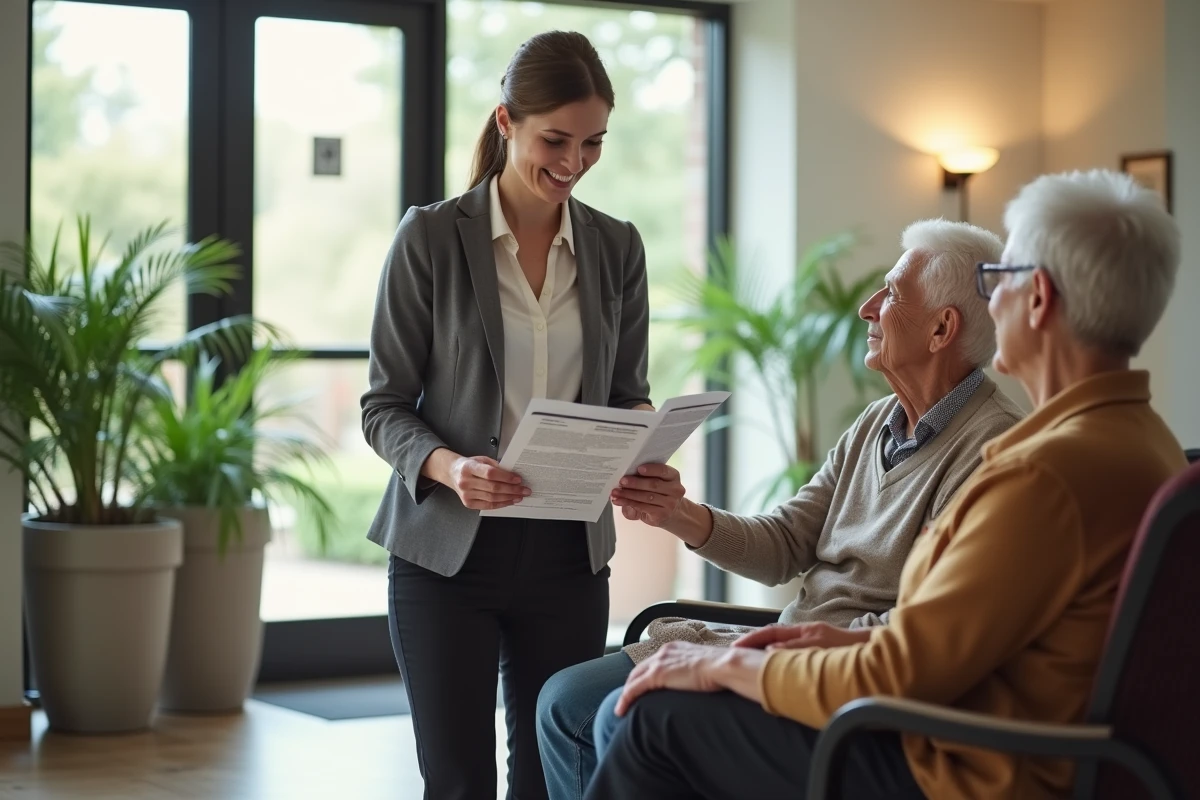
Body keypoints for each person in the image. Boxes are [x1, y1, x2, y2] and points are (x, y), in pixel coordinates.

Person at [584, 169, 1187, 800]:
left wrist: (725, 662)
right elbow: (950, 637)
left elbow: (902, 669)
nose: (992, 301)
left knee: (650, 721)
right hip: (1014, 744)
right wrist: (810, 637)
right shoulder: (1148, 447)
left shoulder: (1039, 475)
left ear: (1035, 299)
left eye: (997, 280)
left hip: (961, 766)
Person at [536, 219, 1025, 800]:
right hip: (791, 644)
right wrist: (678, 512)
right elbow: (788, 542)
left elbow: (923, 637)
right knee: (564, 703)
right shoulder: (876, 422)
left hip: (839, 677)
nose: (867, 308)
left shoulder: (994, 452)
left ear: (943, 328)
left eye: (891, 293)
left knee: (629, 712)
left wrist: (772, 655)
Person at [360, 31, 653, 800]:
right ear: (505, 123)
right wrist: (451, 468)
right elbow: (383, 404)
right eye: (555, 139)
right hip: (445, 559)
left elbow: (627, 390)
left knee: (552, 779)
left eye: (593, 143)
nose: (574, 161)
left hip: (568, 557)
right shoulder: (429, 237)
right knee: (458, 781)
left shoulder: (617, 247)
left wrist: (644, 438)